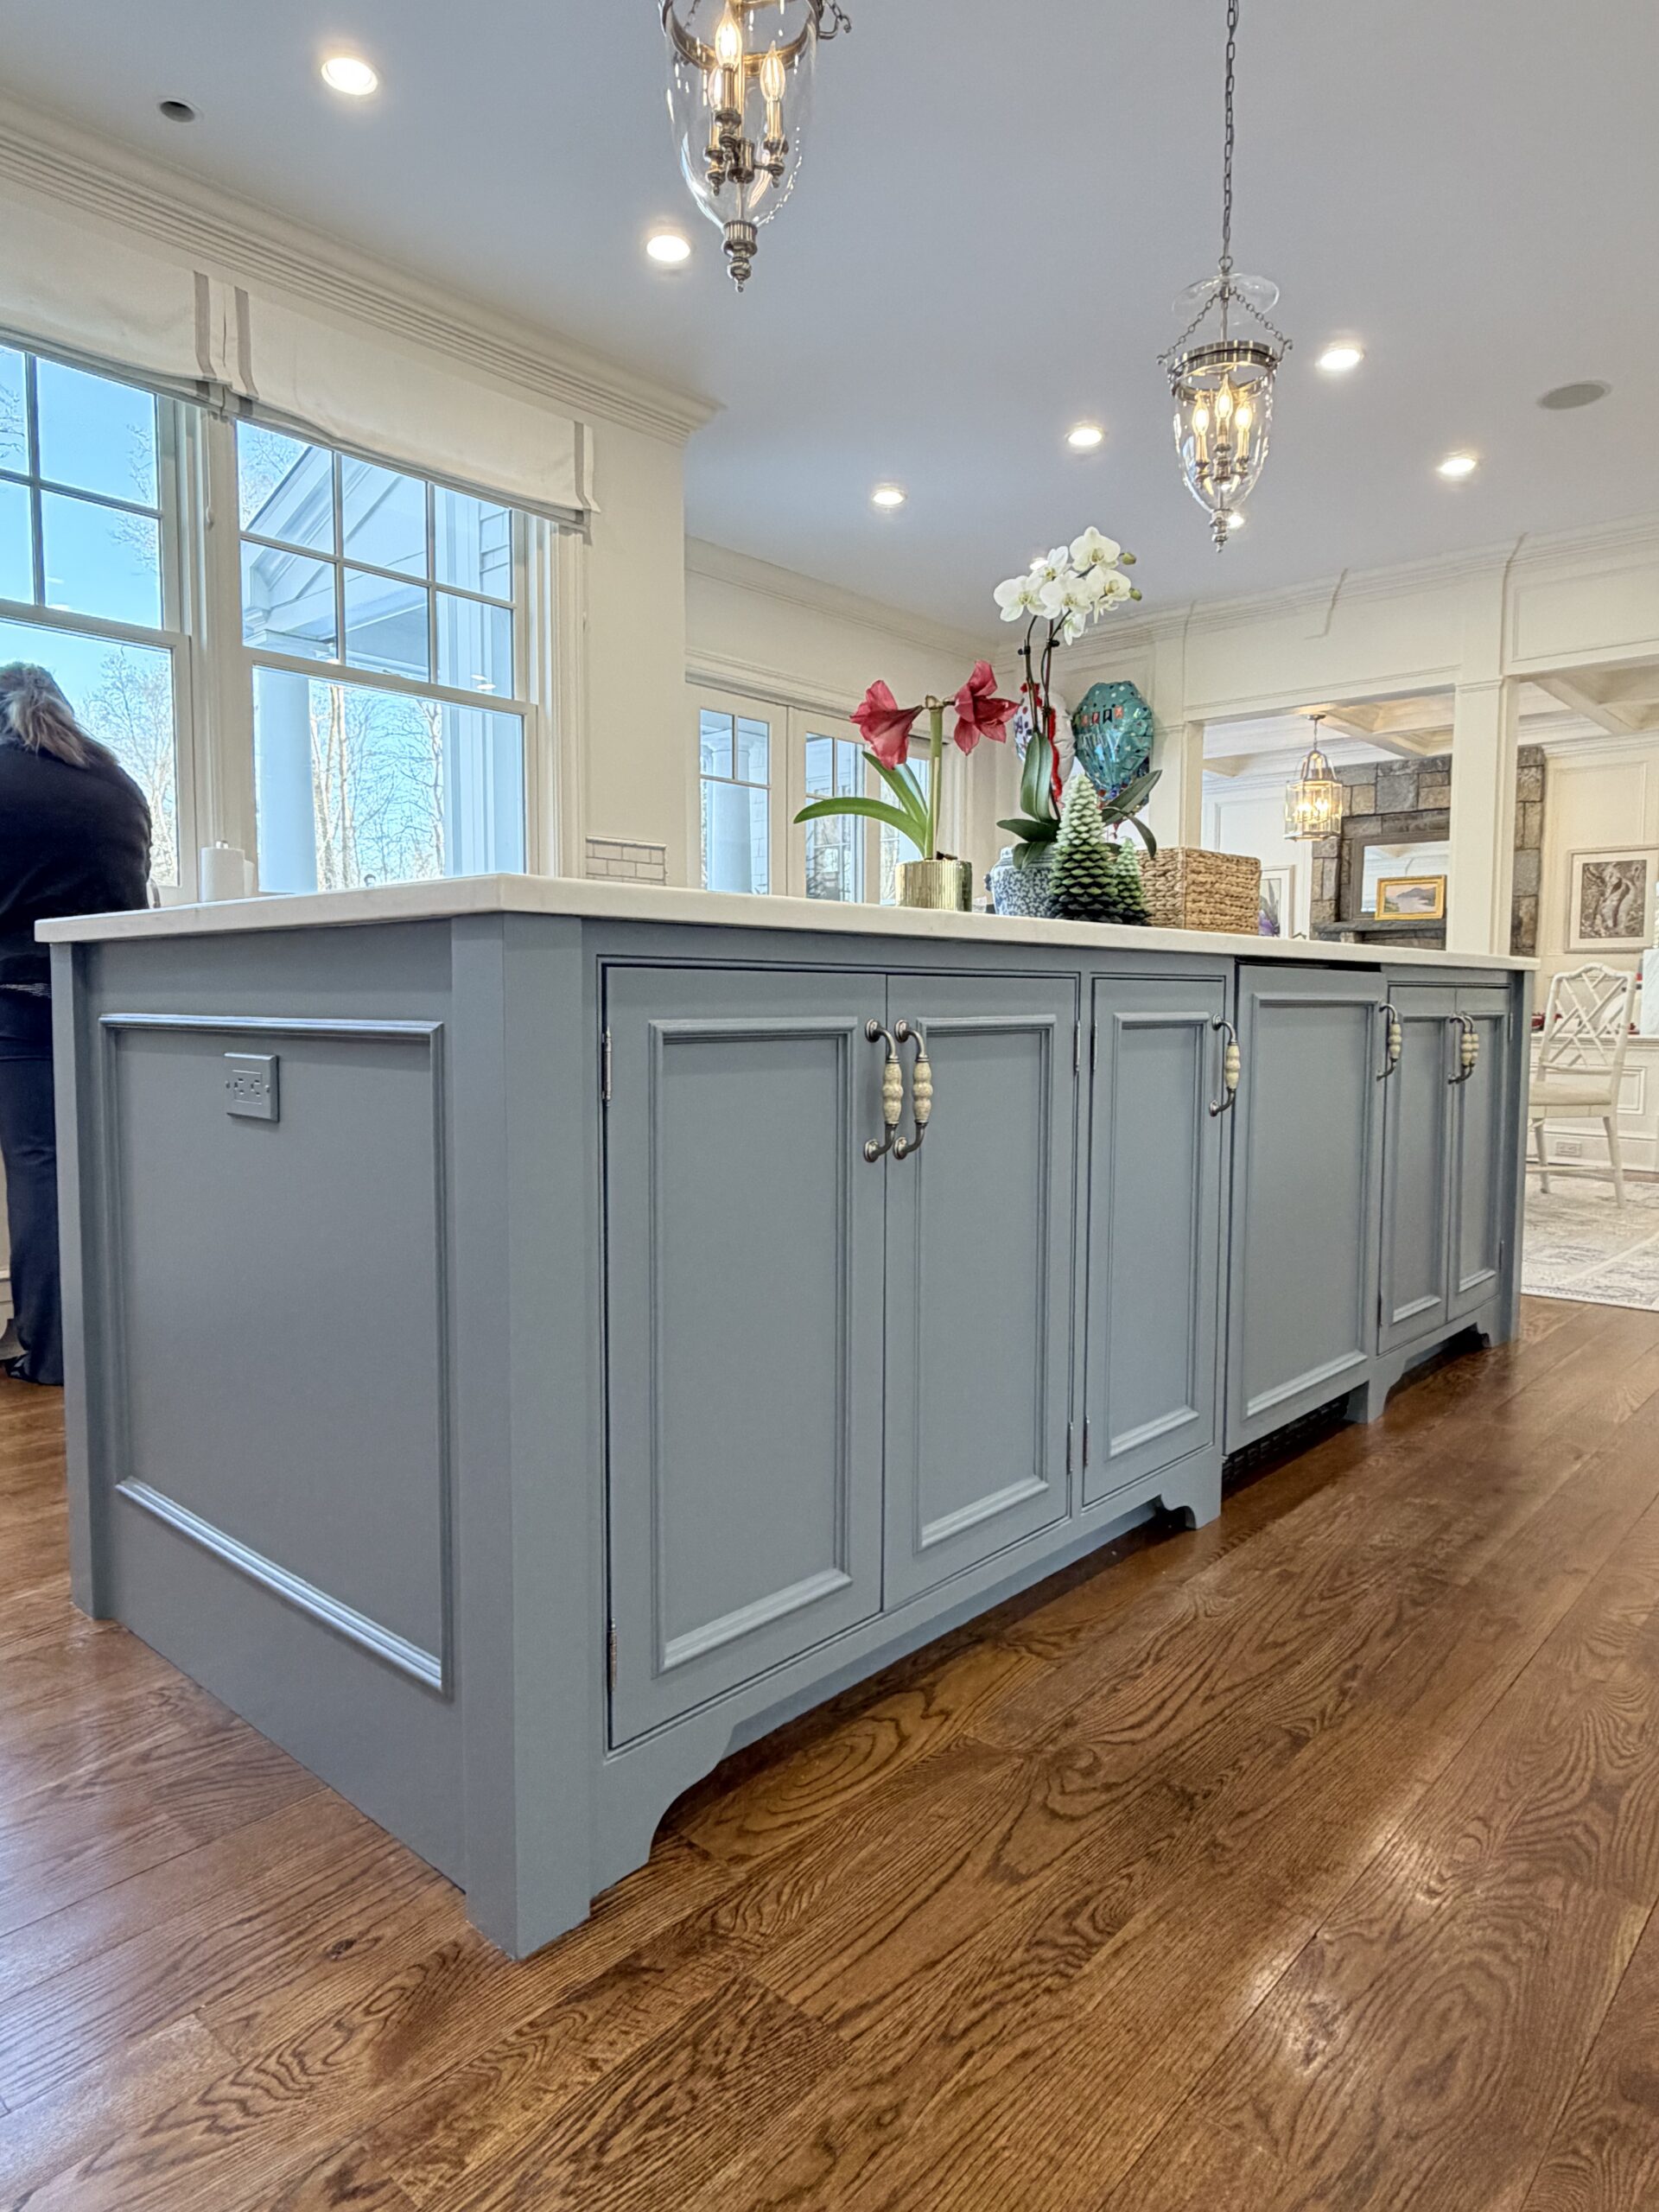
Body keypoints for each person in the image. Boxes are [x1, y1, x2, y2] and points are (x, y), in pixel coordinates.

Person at [0, 665, 150, 1384]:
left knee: (37, 1168)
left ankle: (54, 1351)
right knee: (98, 1168)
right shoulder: (117, 786)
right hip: (106, 997)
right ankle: (108, 1335)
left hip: (15, 997)